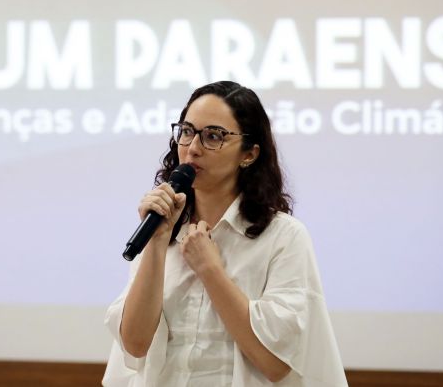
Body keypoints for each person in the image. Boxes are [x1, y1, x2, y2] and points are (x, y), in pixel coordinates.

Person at [103, 81, 348, 386]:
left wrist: (210, 269)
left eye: (213, 136)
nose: (192, 148)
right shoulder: (161, 228)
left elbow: (276, 363)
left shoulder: (283, 237)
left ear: (249, 154)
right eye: (187, 131)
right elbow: (135, 345)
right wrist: (156, 241)